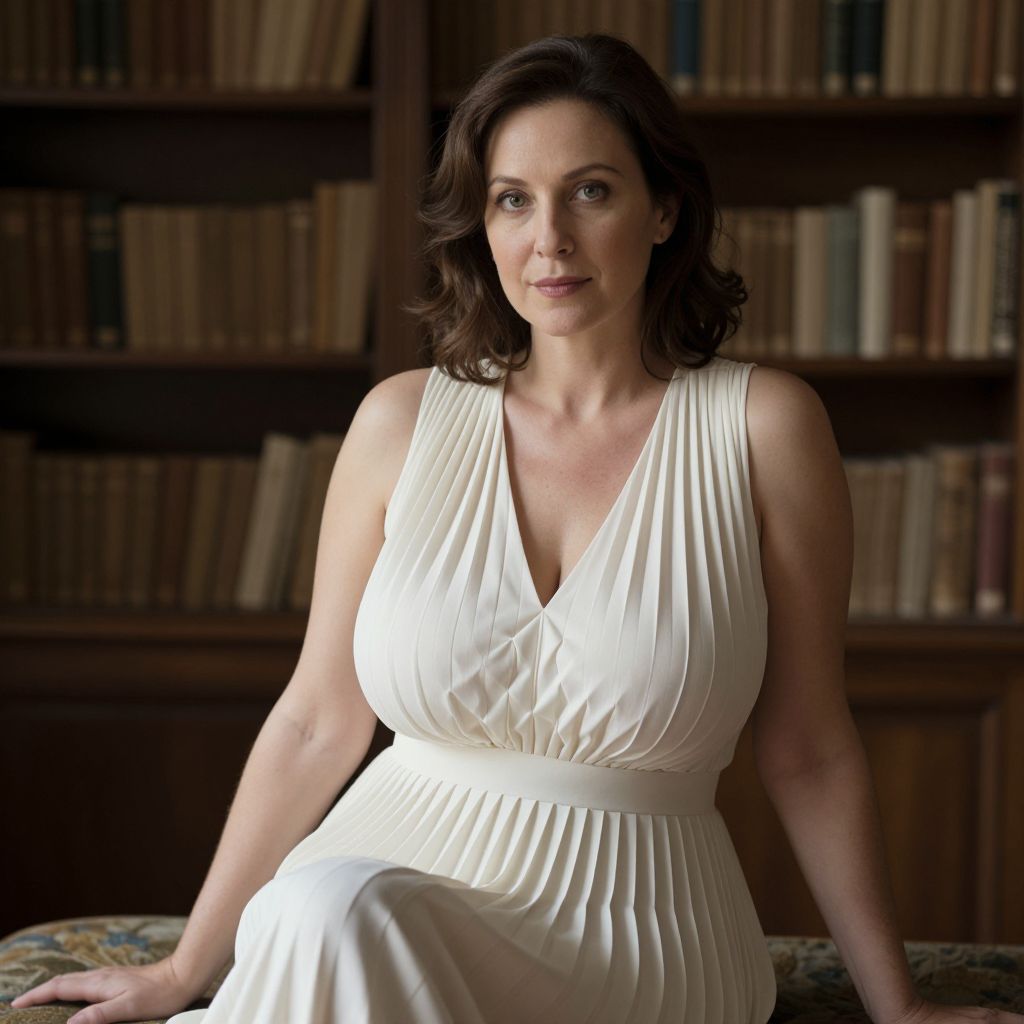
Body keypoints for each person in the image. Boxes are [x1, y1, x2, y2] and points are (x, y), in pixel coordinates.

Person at [11, 32, 1022, 1024]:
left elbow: (806, 743)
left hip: (635, 932)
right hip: (360, 890)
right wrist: (188, 966)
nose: (550, 239)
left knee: (332, 916)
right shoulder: (401, 420)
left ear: (664, 208)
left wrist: (898, 1008)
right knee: (328, 909)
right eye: (512, 199)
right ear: (481, 224)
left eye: (590, 190)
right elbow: (318, 720)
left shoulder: (764, 427)